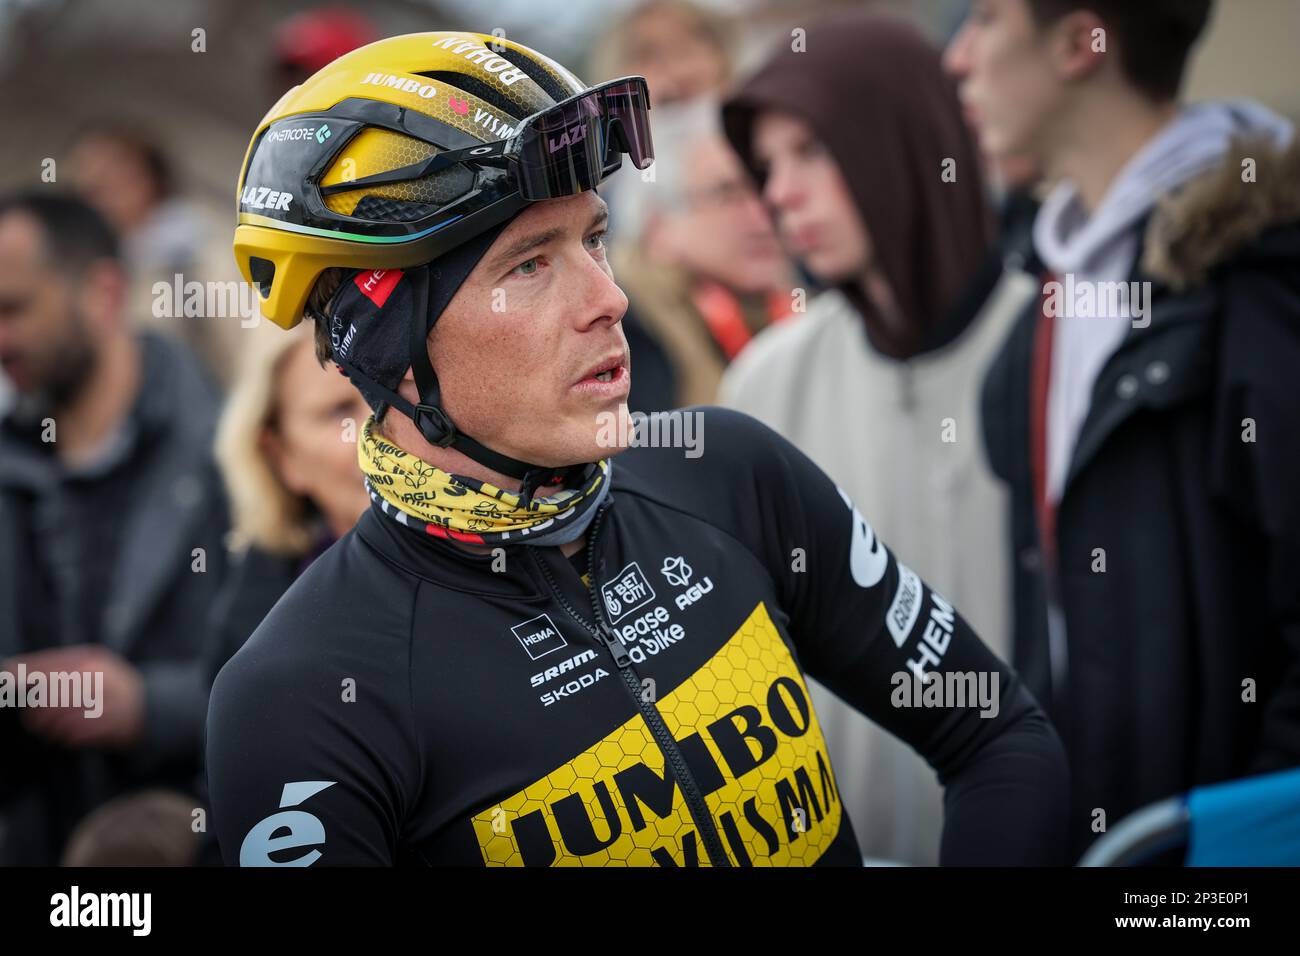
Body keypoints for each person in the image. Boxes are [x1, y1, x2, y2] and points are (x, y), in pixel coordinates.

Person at [207, 30, 1067, 867]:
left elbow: (997, 734)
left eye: (593, 239)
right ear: (387, 344)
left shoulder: (728, 473)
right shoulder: (299, 696)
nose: (609, 299)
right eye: (528, 266)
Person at [944, 0, 1300, 858]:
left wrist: (1226, 854)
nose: (957, 58)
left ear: (1079, 44)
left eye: (986, 18)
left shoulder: (1260, 287)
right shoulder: (1048, 299)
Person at [717, 11, 1024, 865]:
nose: (777, 193)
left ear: (904, 140)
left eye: (811, 152)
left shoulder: (1054, 347)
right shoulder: (765, 383)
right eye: (767, 165)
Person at [0, 193, 228, 865]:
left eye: (14, 309)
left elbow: (306, 682)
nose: (0, 341)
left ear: (102, 293)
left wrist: (144, 706)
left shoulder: (233, 456)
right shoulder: (13, 461)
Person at [206, 320, 372, 683]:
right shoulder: (256, 639)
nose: (378, 432)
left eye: (389, 391)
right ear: (281, 455)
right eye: (339, 411)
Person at [615, 97, 795, 407]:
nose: (763, 217)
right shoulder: (625, 335)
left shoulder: (809, 301)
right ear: (658, 227)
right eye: (727, 195)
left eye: (761, 185)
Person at [67, 124, 245, 390]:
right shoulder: (99, 275)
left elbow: (246, 356)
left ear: (148, 178)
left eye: (106, 184)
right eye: (87, 192)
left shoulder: (206, 254)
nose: (98, 203)